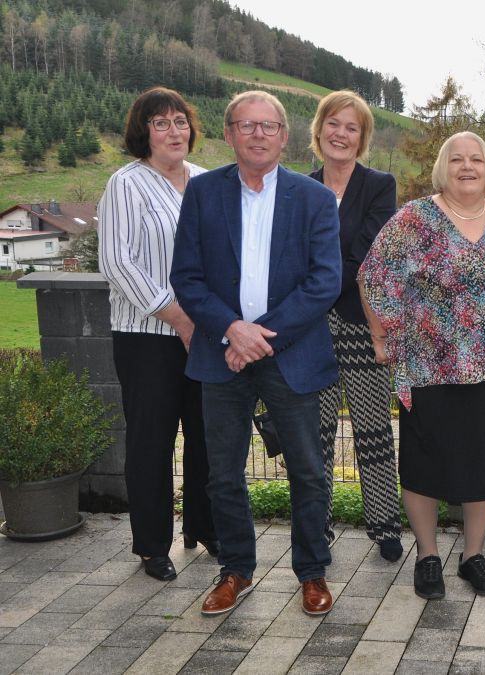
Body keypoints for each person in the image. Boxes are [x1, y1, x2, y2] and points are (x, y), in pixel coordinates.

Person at [171, 90, 341, 617]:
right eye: (247, 125)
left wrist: (257, 337)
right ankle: (236, 570)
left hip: (290, 353)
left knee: (308, 471)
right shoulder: (203, 193)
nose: (258, 134)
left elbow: (325, 281)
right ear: (229, 134)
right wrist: (231, 331)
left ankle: (312, 572)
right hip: (221, 353)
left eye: (269, 126)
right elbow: (186, 277)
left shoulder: (314, 198)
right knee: (222, 472)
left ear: (284, 137)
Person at [359, 131, 485, 600]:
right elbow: (372, 275)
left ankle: (473, 555)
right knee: (424, 464)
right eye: (456, 159)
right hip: (428, 367)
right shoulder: (415, 219)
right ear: (444, 167)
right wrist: (381, 335)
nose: (467, 166)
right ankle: (428, 556)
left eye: (476, 158)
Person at [98, 86, 216, 582]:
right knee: (152, 441)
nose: (174, 131)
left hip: (206, 333)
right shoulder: (126, 184)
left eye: (180, 121)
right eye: (161, 123)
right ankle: (152, 545)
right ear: (143, 133)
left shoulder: (207, 181)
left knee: (207, 437)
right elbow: (118, 263)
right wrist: (179, 317)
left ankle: (205, 528)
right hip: (147, 335)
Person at [307, 90, 404, 562]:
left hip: (362, 323)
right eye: (334, 123)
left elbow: (367, 253)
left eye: (352, 127)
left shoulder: (378, 186)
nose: (341, 134)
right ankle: (316, 528)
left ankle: (385, 526)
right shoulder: (300, 187)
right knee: (315, 434)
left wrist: (316, 289)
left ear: (362, 138)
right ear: (319, 129)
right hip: (310, 330)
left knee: (373, 430)